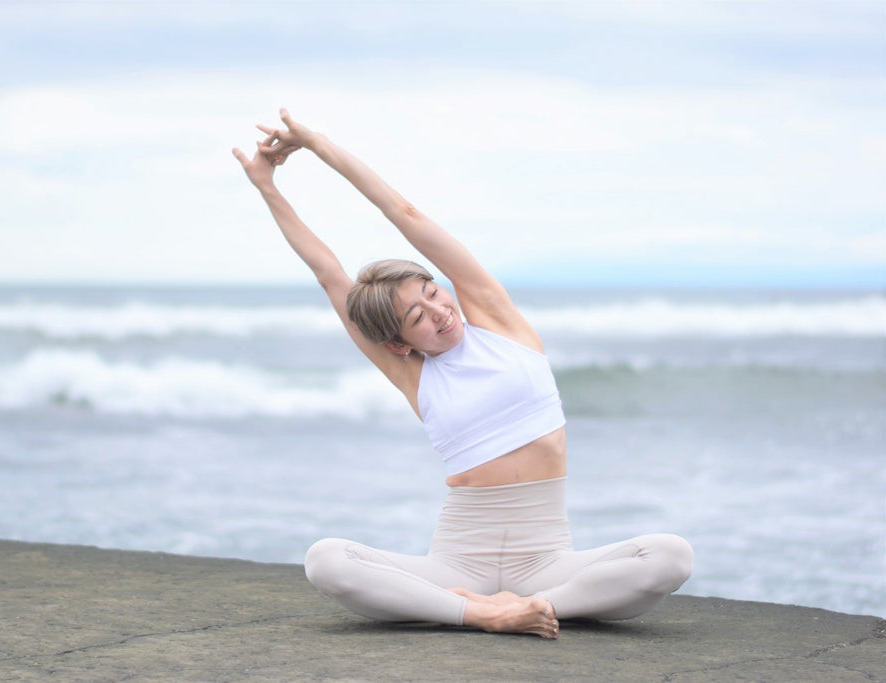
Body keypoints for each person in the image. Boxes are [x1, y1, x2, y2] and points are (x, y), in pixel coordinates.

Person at [232, 110, 693, 639]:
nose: (438, 312)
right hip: (458, 563)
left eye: (432, 293)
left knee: (669, 556)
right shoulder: (412, 374)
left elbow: (402, 211)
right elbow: (328, 274)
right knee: (326, 560)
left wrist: (317, 144)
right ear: (398, 342)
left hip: (546, 558)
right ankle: (484, 612)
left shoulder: (498, 322)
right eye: (417, 318)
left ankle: (535, 604)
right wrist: (267, 187)